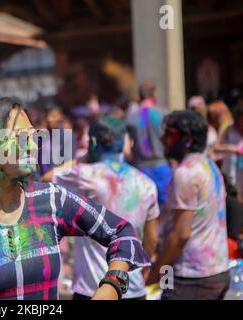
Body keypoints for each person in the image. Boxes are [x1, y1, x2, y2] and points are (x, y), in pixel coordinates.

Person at [0, 97, 150, 300]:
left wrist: (112, 285)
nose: (32, 145)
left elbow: (122, 232)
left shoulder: (52, 200)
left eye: (33, 136)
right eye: (20, 136)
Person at [47, 116, 159, 300]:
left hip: (94, 289)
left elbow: (47, 178)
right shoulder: (146, 183)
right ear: (124, 142)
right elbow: (152, 239)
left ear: (92, 142)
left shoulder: (84, 174)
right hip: (132, 285)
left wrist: (83, 157)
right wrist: (142, 269)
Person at [146, 110, 230, 300]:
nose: (162, 139)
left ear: (187, 140)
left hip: (193, 278)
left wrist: (154, 274)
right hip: (217, 271)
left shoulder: (187, 173)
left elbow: (181, 235)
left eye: (169, 134)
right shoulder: (209, 165)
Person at [125, 81, 172, 209]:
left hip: (141, 169)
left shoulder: (130, 117)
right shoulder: (164, 115)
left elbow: (126, 149)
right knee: (166, 209)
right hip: (162, 167)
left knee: (145, 209)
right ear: (154, 96)